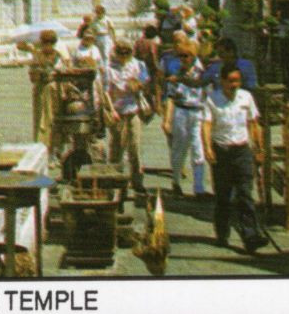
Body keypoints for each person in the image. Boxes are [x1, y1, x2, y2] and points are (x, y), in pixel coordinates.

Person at [204, 65, 271, 253]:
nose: (234, 85)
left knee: (245, 195)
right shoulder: (212, 99)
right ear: (222, 81)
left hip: (242, 151)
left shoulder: (246, 97)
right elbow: (207, 125)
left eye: (237, 81)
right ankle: (222, 234)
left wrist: (258, 148)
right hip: (222, 151)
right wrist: (208, 147)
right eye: (230, 81)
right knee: (223, 196)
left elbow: (253, 124)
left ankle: (250, 236)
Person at [160, 38, 210, 197]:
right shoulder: (176, 74)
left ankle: (199, 187)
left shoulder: (201, 73)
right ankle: (176, 181)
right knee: (178, 150)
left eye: (187, 56)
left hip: (198, 112)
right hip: (181, 112)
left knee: (198, 150)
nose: (183, 59)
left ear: (193, 56)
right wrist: (167, 120)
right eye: (181, 56)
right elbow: (170, 97)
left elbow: (207, 96)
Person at [102, 42, 150, 197]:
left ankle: (137, 180)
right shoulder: (110, 69)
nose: (123, 56)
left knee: (135, 146)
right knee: (117, 148)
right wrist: (112, 110)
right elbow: (106, 92)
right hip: (118, 111)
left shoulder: (137, 65)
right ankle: (115, 181)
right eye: (120, 52)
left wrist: (138, 84)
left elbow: (146, 80)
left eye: (126, 53)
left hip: (133, 110)